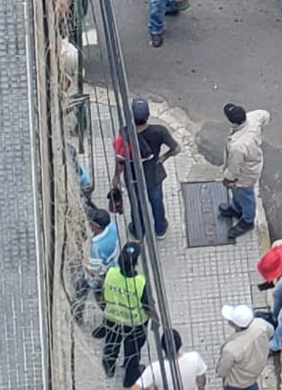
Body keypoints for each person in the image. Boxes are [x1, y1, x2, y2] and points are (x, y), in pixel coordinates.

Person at [113, 98, 179, 238]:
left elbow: (120, 159)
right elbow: (176, 149)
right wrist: (162, 158)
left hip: (133, 176)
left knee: (136, 204)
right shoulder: (160, 131)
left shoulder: (124, 133)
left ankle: (138, 230)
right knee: (156, 202)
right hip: (153, 175)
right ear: (148, 115)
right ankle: (160, 230)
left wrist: (117, 177)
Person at [100, 242, 152, 384]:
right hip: (134, 324)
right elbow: (147, 306)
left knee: (111, 343)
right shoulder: (140, 282)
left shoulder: (110, 273)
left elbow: (101, 292)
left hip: (112, 318)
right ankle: (130, 379)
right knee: (132, 352)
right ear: (135, 262)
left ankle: (109, 367)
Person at [219, 103, 270, 242]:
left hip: (244, 174)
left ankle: (247, 220)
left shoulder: (238, 146)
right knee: (238, 193)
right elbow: (266, 115)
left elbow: (233, 169)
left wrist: (227, 180)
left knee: (245, 195)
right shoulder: (254, 117)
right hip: (252, 163)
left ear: (232, 121)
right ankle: (236, 208)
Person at [216, 304, 273, 390]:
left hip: (236, 384)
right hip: (255, 373)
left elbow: (221, 372)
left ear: (236, 325)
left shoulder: (231, 349)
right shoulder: (260, 324)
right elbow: (271, 331)